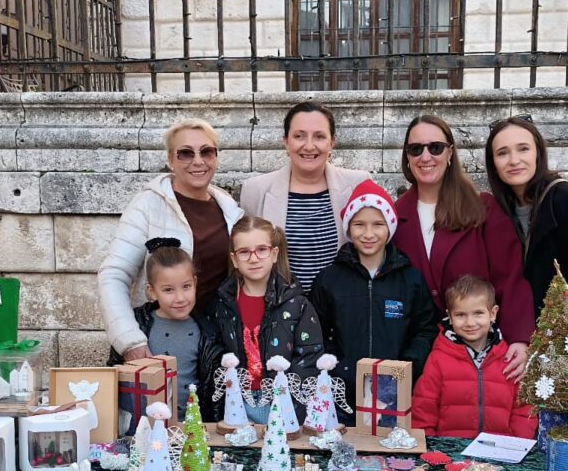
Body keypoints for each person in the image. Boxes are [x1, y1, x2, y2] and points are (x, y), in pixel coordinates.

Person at [391, 114, 533, 382]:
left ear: (450, 153)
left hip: (481, 355)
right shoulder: (394, 216)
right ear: (407, 157)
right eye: (415, 149)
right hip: (419, 361)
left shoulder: (483, 209)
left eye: (435, 147)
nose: (425, 156)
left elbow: (510, 277)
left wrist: (519, 339)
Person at [97, 118, 243, 362]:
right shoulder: (148, 204)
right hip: (160, 339)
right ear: (170, 159)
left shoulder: (229, 209)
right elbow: (114, 274)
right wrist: (130, 340)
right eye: (185, 153)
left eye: (206, 151)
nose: (198, 160)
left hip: (214, 343)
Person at [310, 180, 438, 426]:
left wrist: (405, 366)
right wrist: (338, 367)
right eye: (359, 225)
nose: (368, 234)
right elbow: (317, 332)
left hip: (394, 394)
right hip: (342, 394)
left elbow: (426, 329)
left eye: (378, 224)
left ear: (389, 228)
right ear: (348, 228)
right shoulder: (330, 279)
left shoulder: (410, 278)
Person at [485, 115, 568, 337]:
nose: (513, 160)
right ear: (493, 162)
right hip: (528, 339)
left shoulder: (567, 201)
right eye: (502, 153)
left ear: (538, 153)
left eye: (523, 149)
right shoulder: (499, 211)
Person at [239, 101, 371, 292]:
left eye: (319, 136)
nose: (309, 146)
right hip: (282, 312)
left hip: (341, 310)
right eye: (299, 136)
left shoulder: (358, 185)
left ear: (332, 142)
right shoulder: (255, 190)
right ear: (286, 141)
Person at [209, 216, 324, 425]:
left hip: (282, 404)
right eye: (244, 252)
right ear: (234, 259)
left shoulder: (297, 304)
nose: (253, 258)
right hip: (235, 404)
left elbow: (308, 358)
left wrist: (292, 408)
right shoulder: (222, 305)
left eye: (261, 249)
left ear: (274, 254)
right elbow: (214, 356)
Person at [107, 238, 223, 433]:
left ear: (195, 282)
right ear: (152, 292)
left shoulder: (208, 331)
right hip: (144, 430)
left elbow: (215, 390)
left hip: (192, 430)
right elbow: (114, 377)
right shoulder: (136, 327)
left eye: (186, 287)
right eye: (168, 290)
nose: (180, 298)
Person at [412, 276, 537, 438]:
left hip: (501, 456)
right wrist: (430, 449)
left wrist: (516, 446)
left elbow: (524, 409)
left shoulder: (510, 360)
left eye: (478, 313)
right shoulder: (438, 359)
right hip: (449, 456)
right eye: (460, 315)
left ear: (493, 314)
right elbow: (423, 410)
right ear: (449, 317)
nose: (470, 322)